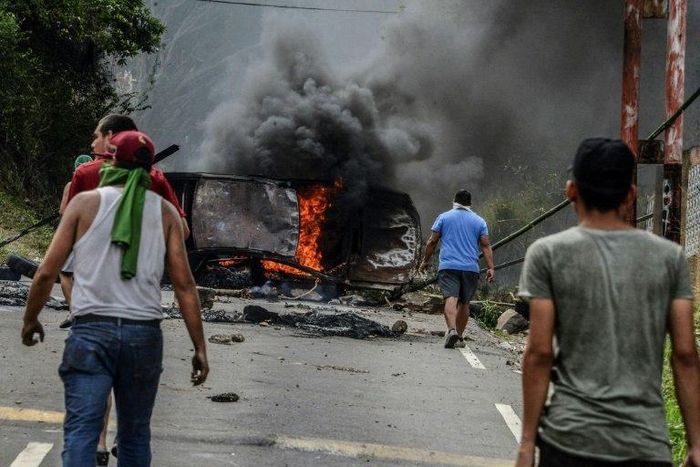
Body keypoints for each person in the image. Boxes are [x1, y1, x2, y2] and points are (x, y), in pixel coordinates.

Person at [20, 130, 209, 466]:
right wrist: (199, 348)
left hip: (91, 331)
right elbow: (184, 285)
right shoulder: (166, 213)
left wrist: (30, 319)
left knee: (82, 428)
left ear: (110, 160)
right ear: (150, 167)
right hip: (144, 335)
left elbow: (48, 272)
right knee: (135, 434)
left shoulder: (84, 203)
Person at [516, 138, 700, 467]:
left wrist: (527, 445)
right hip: (644, 446)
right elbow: (685, 355)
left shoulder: (547, 253)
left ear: (571, 191)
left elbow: (540, 353)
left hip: (569, 442)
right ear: (630, 197)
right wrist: (696, 444)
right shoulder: (670, 258)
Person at [420, 189, 495, 348]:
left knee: (450, 298)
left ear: (454, 201)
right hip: (470, 268)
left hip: (448, 266)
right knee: (465, 303)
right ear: (470, 204)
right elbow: (486, 246)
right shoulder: (479, 221)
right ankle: (459, 337)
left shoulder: (444, 217)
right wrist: (490, 268)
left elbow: (432, 242)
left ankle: (452, 330)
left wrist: (425, 261)